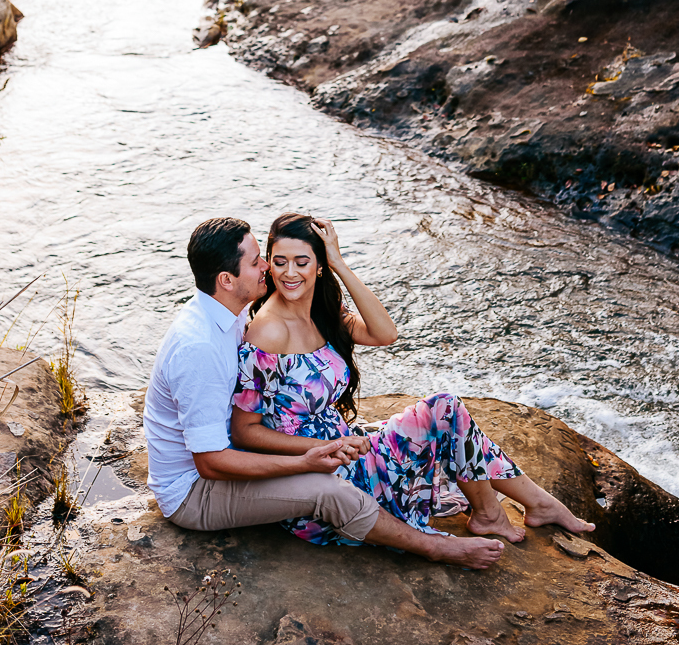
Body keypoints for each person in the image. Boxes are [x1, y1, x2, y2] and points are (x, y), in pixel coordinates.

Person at [144, 216, 507, 568]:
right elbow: (209, 463)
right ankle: (435, 547)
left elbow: (382, 334)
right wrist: (306, 460)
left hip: (236, 459)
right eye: (258, 262)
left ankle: (514, 506)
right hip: (193, 494)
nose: (269, 267)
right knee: (327, 489)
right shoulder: (200, 347)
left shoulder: (230, 309)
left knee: (426, 420)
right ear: (226, 279)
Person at [231, 212, 596, 548]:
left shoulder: (322, 312)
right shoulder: (268, 333)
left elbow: (385, 333)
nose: (289, 273)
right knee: (444, 410)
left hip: (348, 451)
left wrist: (340, 263)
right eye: (279, 262)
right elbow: (245, 431)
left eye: (302, 261)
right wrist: (323, 450)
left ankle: (531, 506)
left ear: (320, 266)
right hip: (323, 480)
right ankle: (496, 513)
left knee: (445, 411)